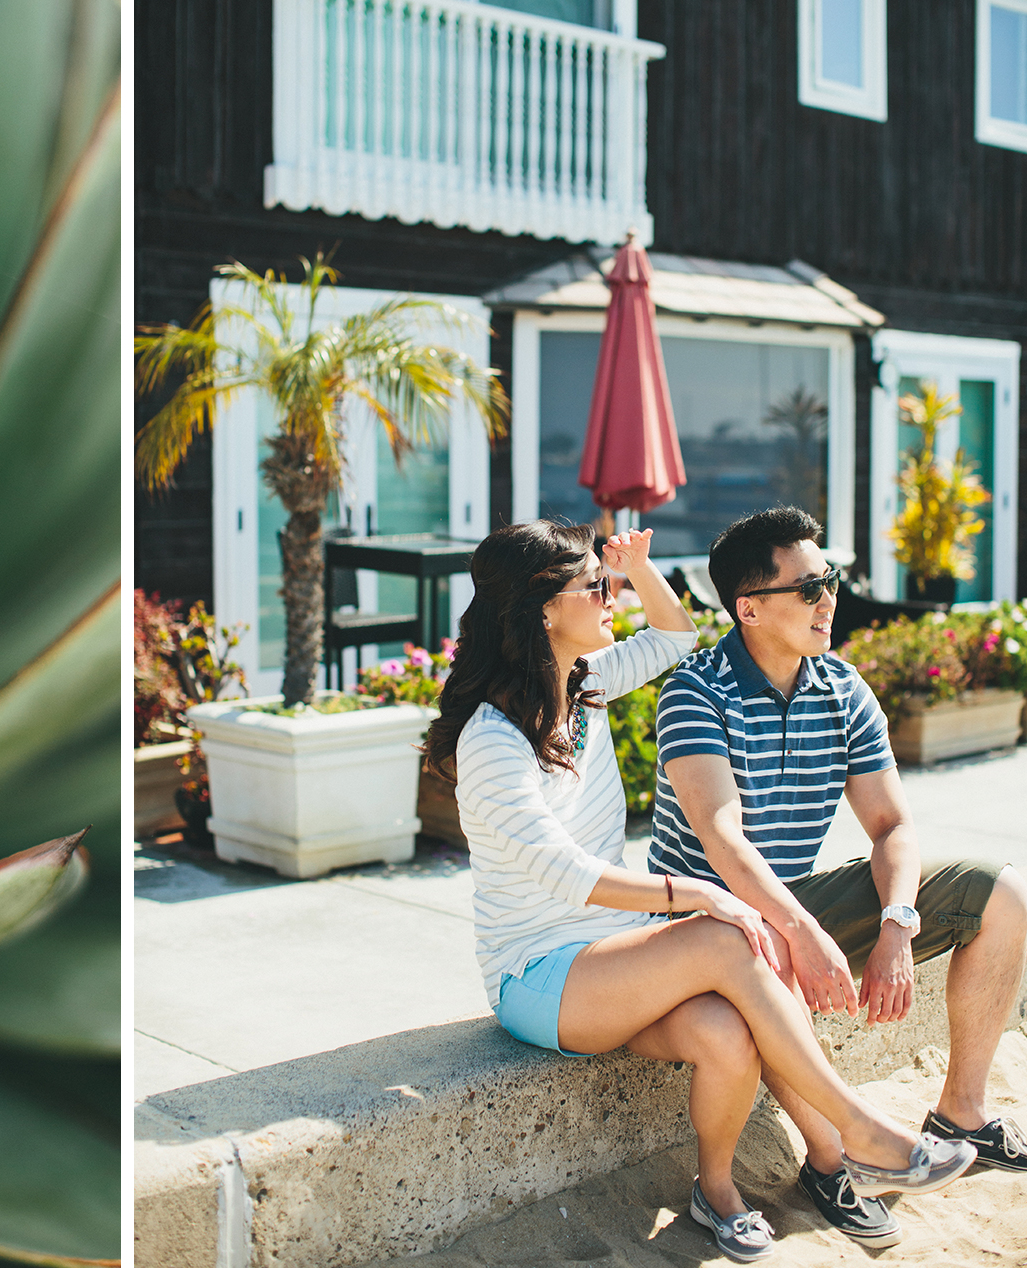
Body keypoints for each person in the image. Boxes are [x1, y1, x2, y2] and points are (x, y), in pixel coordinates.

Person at [424, 520, 974, 1264]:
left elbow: (675, 636)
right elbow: (568, 876)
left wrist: (642, 568)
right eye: (596, 584)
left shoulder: (582, 689)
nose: (610, 593)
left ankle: (715, 1188)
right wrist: (699, 896)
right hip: (540, 975)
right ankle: (857, 1132)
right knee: (729, 932)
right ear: (544, 609)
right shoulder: (493, 740)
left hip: (614, 959)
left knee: (725, 1029)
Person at [652, 506, 1027, 1248]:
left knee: (1003, 893)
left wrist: (896, 923)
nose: (830, 599)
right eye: (810, 586)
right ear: (749, 608)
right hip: (706, 928)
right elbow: (723, 843)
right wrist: (801, 931)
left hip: (795, 908)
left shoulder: (843, 687)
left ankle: (961, 1112)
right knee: (768, 955)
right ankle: (833, 1160)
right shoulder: (696, 690)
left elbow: (892, 827)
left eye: (833, 581)